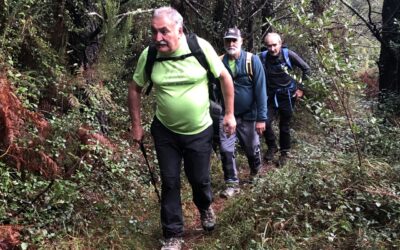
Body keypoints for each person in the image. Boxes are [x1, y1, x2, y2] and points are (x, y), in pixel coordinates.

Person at [128, 7, 236, 250]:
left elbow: (225, 78)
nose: (158, 38)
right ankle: (173, 234)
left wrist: (229, 114)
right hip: (165, 130)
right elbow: (134, 88)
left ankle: (205, 207)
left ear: (179, 29)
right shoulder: (150, 55)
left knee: (199, 179)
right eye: (154, 32)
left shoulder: (199, 48)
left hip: (199, 130)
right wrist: (136, 126)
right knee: (170, 181)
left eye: (164, 32)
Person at [217, 27, 267, 198]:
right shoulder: (219, 61)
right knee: (225, 149)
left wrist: (262, 118)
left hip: (249, 116)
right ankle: (232, 183)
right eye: (227, 40)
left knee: (252, 148)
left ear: (241, 41)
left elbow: (261, 91)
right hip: (226, 115)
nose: (231, 43)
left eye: (234, 40)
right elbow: (212, 88)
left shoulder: (252, 61)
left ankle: (256, 172)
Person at [260, 32, 311, 166]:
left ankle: (284, 152)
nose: (272, 49)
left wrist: (301, 89)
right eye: (269, 46)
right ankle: (272, 146)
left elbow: (306, 69)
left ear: (280, 43)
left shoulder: (289, 55)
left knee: (284, 125)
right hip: (270, 96)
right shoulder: (263, 56)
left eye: (274, 45)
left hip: (288, 96)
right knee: (265, 122)